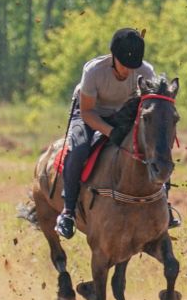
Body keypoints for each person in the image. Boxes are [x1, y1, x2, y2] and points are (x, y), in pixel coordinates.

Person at [54, 28, 180, 239]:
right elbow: (87, 112)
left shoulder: (146, 71)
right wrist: (111, 132)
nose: (128, 72)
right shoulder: (94, 71)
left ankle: (163, 204)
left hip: (123, 114)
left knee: (154, 148)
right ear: (113, 56)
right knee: (79, 149)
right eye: (124, 65)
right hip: (89, 113)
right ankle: (68, 213)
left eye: (134, 67)